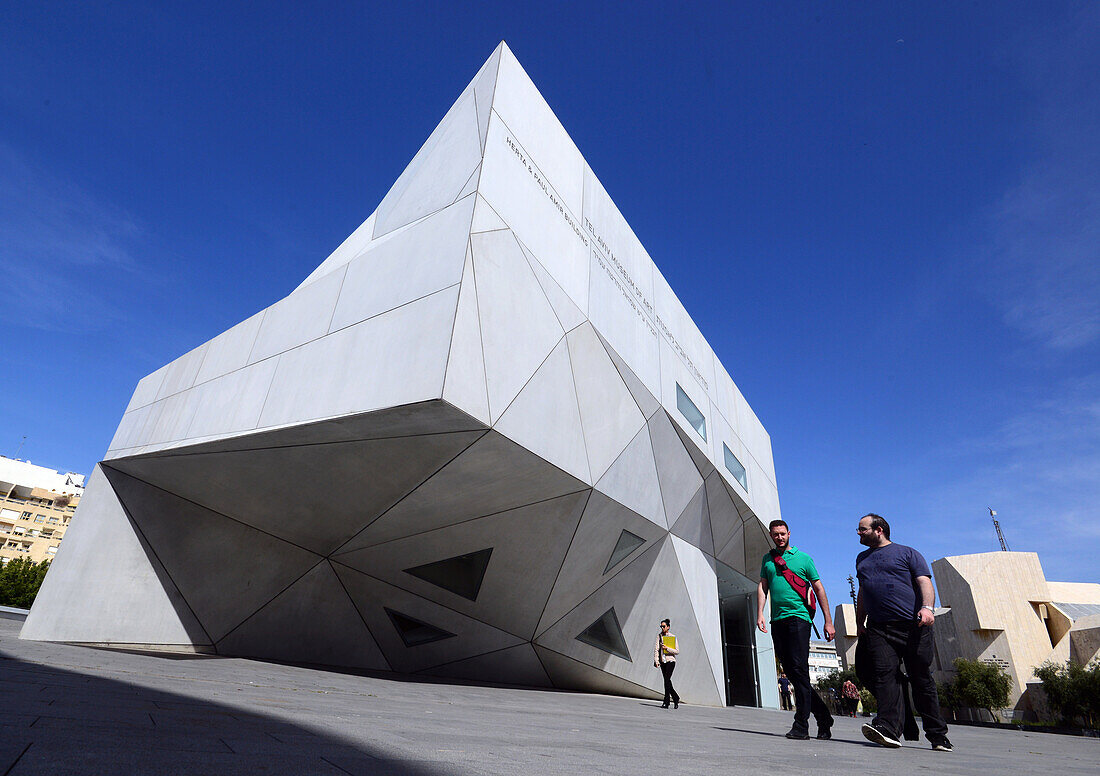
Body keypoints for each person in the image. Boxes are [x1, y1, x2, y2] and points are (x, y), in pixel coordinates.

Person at [855, 513, 952, 752]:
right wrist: (859, 623)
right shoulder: (861, 559)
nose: (858, 533)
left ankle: (938, 736)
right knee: (884, 676)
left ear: (879, 530)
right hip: (879, 628)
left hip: (913, 626)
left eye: (862, 529)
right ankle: (888, 729)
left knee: (921, 680)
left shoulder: (907, 553)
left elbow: (924, 582)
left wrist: (927, 609)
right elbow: (863, 592)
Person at [757, 519, 836, 740]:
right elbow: (763, 586)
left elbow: (819, 589)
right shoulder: (768, 559)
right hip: (777, 621)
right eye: (775, 534)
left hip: (799, 619)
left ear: (789, 534)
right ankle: (823, 716)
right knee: (792, 672)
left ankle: (801, 725)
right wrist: (760, 613)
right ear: (771, 535)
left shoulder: (804, 558)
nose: (779, 537)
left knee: (800, 670)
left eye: (782, 533)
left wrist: (828, 621)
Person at [653, 618, 680, 709]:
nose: (662, 628)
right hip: (663, 661)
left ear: (668, 627)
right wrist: (656, 661)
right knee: (667, 681)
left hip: (670, 661)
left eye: (664, 626)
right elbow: (656, 649)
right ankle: (675, 697)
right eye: (661, 626)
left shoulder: (672, 637)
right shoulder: (659, 636)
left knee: (666, 680)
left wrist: (667, 648)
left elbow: (677, 651)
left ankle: (666, 701)